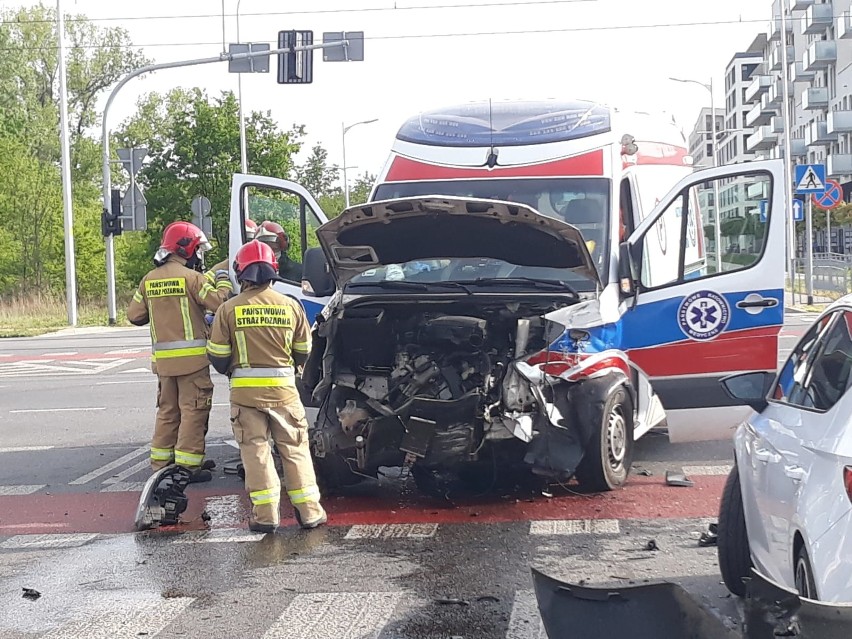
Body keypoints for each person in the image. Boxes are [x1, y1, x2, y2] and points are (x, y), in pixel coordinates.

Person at [206, 239, 326, 532]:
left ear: (240, 272)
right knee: (295, 450)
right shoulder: (291, 306)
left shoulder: (228, 309)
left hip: (246, 397)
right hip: (285, 393)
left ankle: (266, 517)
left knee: (256, 453)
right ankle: (310, 512)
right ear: (273, 270)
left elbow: (219, 358)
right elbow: (303, 351)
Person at [128, 221, 231, 481]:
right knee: (193, 412)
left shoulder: (148, 280)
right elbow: (219, 303)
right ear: (186, 249)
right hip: (193, 364)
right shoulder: (192, 279)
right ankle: (188, 467)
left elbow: (134, 315)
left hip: (163, 365)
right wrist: (222, 280)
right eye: (197, 249)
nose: (198, 255)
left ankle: (161, 465)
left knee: (167, 412)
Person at [203, 218, 259, 295]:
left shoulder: (261, 265)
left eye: (249, 240)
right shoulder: (225, 265)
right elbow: (202, 284)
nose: (246, 245)